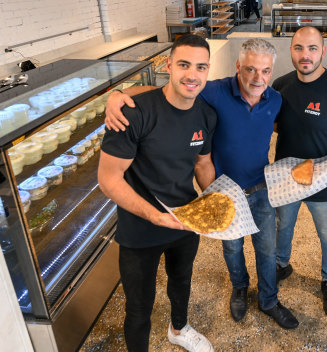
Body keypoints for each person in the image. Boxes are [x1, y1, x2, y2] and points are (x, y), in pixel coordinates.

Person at [104, 39, 299, 330]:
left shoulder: (275, 100)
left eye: (265, 71)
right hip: (223, 192)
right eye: (250, 70)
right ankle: (239, 288)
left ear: (271, 71)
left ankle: (269, 300)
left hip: (261, 190)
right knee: (232, 248)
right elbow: (166, 92)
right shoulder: (214, 91)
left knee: (267, 249)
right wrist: (118, 95)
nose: (258, 78)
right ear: (237, 67)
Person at [98, 34, 217, 352]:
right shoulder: (135, 113)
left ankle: (179, 329)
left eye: (200, 67)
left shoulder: (205, 115)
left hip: (185, 221)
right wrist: (154, 216)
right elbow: (108, 180)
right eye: (183, 65)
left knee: (181, 282)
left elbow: (202, 163)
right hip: (140, 228)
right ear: (168, 66)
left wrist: (216, 200)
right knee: (138, 306)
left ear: (208, 71)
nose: (192, 75)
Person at [272, 26, 327, 318]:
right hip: (287, 178)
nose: (305, 55)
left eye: (312, 49)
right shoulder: (280, 85)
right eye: (299, 48)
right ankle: (281, 265)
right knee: (283, 226)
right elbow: (272, 126)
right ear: (291, 51)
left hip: (325, 182)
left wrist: (323, 170)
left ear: (323, 51)